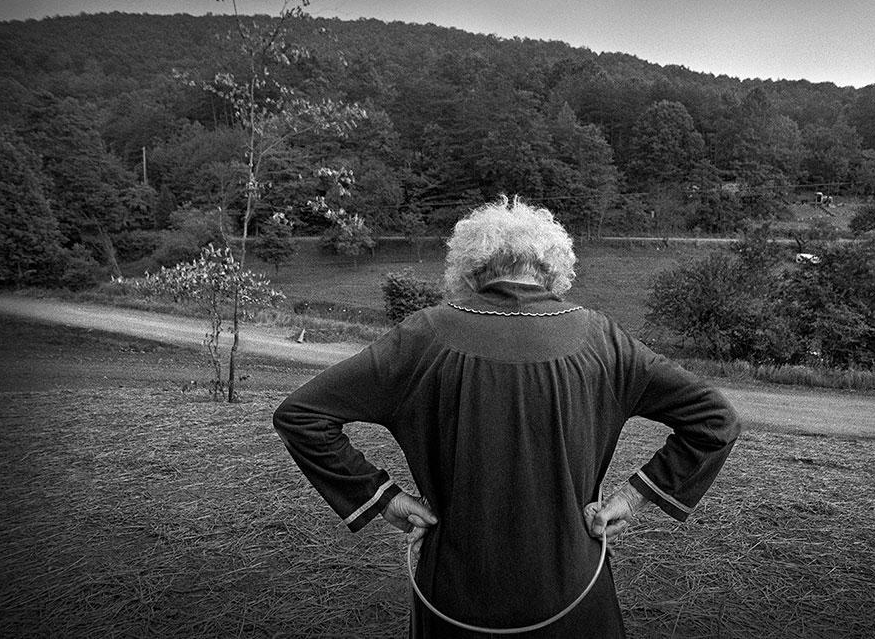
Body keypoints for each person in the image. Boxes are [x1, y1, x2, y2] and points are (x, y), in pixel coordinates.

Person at [273, 196, 741, 637]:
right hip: (576, 589)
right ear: (554, 267)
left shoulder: (423, 337)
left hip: (453, 593)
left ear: (470, 268)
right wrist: (632, 499)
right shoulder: (603, 341)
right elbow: (715, 419)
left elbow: (302, 415)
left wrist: (384, 498)